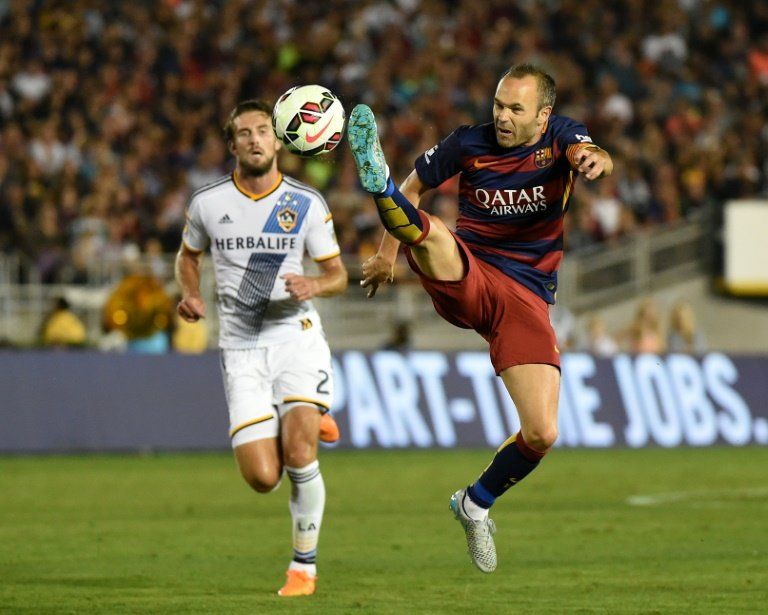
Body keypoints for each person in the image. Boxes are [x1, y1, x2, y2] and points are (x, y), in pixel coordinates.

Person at [348, 64, 613, 573]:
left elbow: (590, 151)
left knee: (541, 433)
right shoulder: (468, 142)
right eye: (499, 105)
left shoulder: (561, 137)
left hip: (528, 295)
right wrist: (386, 254)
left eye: (516, 109)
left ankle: (474, 503)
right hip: (471, 270)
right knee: (433, 235)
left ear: (543, 115)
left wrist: (595, 158)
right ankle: (379, 188)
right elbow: (417, 182)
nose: (503, 117)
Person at [175, 100, 348, 597]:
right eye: (244, 133)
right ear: (232, 145)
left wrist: (315, 285)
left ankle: (303, 569)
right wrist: (188, 293)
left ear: (278, 141)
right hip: (241, 348)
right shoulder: (208, 203)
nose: (255, 140)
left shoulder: (305, 203)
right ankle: (308, 415)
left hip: (296, 340)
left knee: (299, 453)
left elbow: (337, 276)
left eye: (263, 132)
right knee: (262, 478)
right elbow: (188, 257)